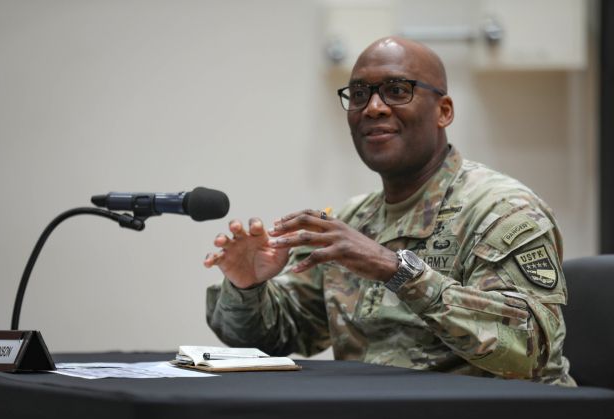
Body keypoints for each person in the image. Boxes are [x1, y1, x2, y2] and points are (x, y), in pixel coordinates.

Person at [203, 36, 575, 386]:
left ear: (443, 111)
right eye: (359, 94)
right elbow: (279, 336)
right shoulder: (354, 220)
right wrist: (248, 287)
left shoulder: (501, 210)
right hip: (379, 415)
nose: (374, 108)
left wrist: (397, 271)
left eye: (397, 91)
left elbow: (530, 350)